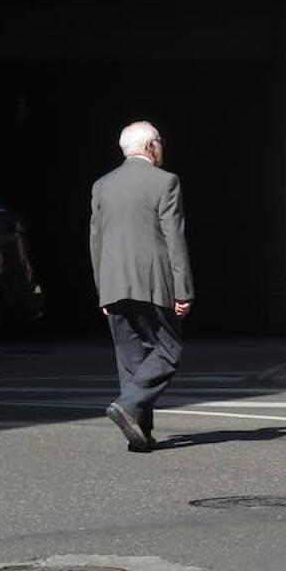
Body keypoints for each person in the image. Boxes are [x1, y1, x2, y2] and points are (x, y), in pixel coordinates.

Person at [90, 121, 194, 452]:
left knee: (131, 358)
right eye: (160, 142)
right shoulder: (165, 182)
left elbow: (95, 239)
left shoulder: (101, 185)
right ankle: (129, 403)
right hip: (152, 282)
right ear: (151, 146)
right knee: (168, 349)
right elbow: (173, 238)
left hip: (112, 283)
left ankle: (140, 432)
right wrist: (183, 290)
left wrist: (101, 289)